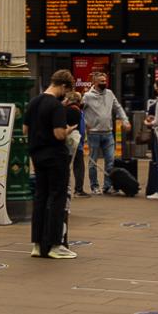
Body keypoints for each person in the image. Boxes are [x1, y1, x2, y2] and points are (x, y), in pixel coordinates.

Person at [26, 70, 78, 259]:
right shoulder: (55, 106)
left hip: (37, 155)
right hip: (55, 156)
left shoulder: (34, 102)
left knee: (40, 197)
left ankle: (38, 245)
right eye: (67, 90)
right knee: (57, 198)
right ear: (63, 86)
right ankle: (55, 245)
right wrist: (68, 129)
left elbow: (25, 128)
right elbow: (59, 134)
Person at [81, 73, 129, 195]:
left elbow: (118, 108)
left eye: (105, 80)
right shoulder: (87, 96)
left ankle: (107, 186)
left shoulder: (110, 93)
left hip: (108, 133)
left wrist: (125, 120)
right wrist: (85, 123)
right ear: (95, 82)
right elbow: (79, 110)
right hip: (93, 134)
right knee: (93, 162)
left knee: (110, 160)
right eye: (101, 81)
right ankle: (94, 186)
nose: (104, 82)